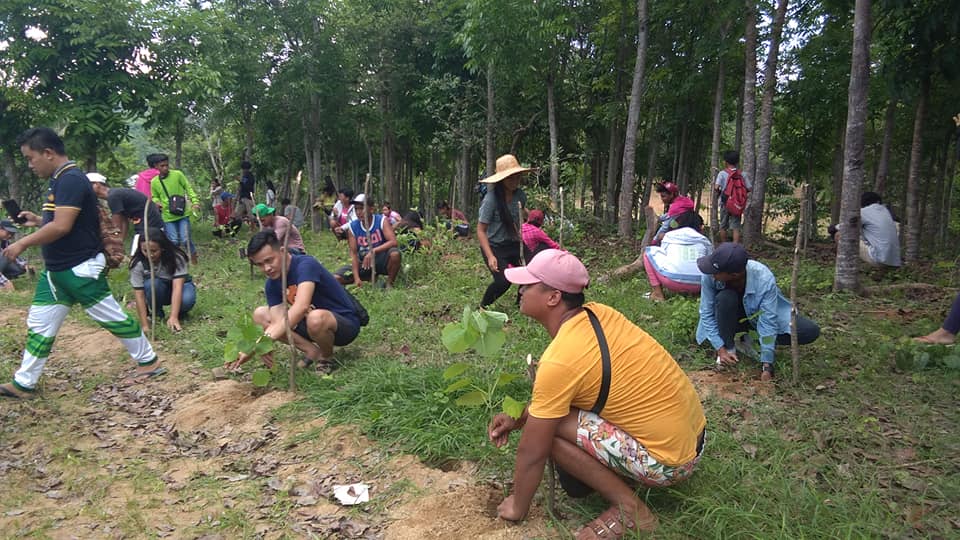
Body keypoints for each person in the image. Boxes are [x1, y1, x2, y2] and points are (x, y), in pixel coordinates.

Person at [487, 249, 706, 538]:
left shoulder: (560, 359)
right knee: (547, 423)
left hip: (669, 463)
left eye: (527, 286)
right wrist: (520, 418)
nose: (520, 291)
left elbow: (532, 451)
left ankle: (631, 509)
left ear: (553, 297)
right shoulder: (599, 314)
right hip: (695, 437)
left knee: (545, 436)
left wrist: (517, 505)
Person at [0, 128, 162, 400]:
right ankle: (24, 383)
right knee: (40, 324)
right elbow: (71, 222)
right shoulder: (60, 180)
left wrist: (22, 243)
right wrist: (38, 221)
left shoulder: (71, 180)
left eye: (31, 158)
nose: (30, 165)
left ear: (48, 153)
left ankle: (150, 362)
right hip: (57, 272)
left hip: (78, 268)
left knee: (111, 316)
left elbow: (62, 227)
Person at [229, 230, 362, 373]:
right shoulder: (272, 283)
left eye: (269, 260)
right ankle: (312, 351)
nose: (266, 268)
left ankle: (326, 357)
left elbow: (301, 307)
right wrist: (260, 345)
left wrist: (258, 345)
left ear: (282, 250)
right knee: (260, 314)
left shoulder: (305, 265)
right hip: (309, 323)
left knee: (315, 318)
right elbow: (276, 322)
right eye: (260, 264)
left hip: (342, 324)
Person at [696, 243, 820, 381]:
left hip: (756, 318)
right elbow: (706, 313)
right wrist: (720, 347)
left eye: (716, 272)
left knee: (809, 331)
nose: (712, 275)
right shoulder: (709, 275)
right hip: (727, 318)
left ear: (734, 274)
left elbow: (768, 321)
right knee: (725, 298)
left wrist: (767, 364)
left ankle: (752, 340)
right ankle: (729, 348)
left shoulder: (764, 278)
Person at [477, 154, 530, 308]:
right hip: (494, 246)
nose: (515, 181)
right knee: (503, 281)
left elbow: (519, 212)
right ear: (502, 179)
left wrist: (529, 215)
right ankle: (483, 307)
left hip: (513, 243)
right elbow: (481, 230)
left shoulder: (520, 195)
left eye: (517, 177)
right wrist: (490, 256)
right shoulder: (491, 200)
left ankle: (520, 304)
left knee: (531, 270)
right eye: (510, 178)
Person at [129, 228, 196, 332]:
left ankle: (179, 314)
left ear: (162, 248)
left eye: (154, 251)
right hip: (158, 288)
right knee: (152, 284)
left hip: (180, 287)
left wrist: (173, 316)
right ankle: (156, 314)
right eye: (145, 251)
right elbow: (139, 295)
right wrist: (144, 325)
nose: (150, 255)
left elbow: (177, 287)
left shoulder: (176, 257)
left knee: (187, 299)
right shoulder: (138, 264)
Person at [643, 211, 713, 302]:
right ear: (700, 226)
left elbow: (665, 254)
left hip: (672, 280)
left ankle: (657, 293)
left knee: (648, 252)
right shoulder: (704, 240)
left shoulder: (669, 236)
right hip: (700, 283)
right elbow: (710, 261)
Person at [334, 194, 401, 287]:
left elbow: (393, 241)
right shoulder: (352, 227)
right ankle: (366, 278)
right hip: (363, 263)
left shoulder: (381, 220)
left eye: (361, 208)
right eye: (356, 209)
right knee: (335, 278)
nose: (358, 212)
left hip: (381, 259)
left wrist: (373, 251)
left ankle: (389, 283)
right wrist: (357, 278)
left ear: (371, 209)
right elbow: (353, 254)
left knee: (395, 254)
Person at [149, 153, 200, 264]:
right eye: (162, 166)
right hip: (167, 215)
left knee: (185, 238)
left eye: (167, 165)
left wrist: (194, 201)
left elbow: (188, 187)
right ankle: (177, 260)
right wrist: (157, 202)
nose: (165, 168)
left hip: (182, 212)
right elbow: (154, 196)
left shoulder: (177, 175)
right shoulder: (154, 182)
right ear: (156, 166)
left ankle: (193, 256)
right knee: (173, 240)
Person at [88, 173, 163, 240]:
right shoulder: (116, 194)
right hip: (147, 221)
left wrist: (114, 237)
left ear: (97, 184)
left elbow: (117, 223)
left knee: (140, 247)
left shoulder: (113, 196)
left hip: (148, 221)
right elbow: (124, 221)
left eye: (89, 185)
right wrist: (121, 240)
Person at [714, 150, 751, 244]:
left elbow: (716, 187)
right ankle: (735, 247)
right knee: (736, 227)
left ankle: (724, 246)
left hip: (725, 202)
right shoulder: (743, 174)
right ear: (737, 162)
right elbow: (749, 188)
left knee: (723, 226)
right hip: (737, 204)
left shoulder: (722, 174)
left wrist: (720, 192)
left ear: (725, 162)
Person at [857, 191, 901, 268]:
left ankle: (846, 265)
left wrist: (833, 229)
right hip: (894, 261)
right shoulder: (886, 211)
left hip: (878, 259)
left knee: (839, 234)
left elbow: (842, 227)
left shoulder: (865, 211)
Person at [0, 220, 29, 291]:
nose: (10, 235)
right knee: (6, 254)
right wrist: (5, 282)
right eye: (8, 232)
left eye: (12, 234)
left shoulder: (5, 242)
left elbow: (15, 257)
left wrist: (25, 266)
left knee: (19, 270)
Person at [235, 160, 256, 225]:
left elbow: (248, 187)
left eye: (244, 169)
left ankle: (253, 227)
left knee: (250, 214)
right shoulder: (244, 176)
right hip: (243, 198)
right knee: (237, 214)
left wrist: (240, 181)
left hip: (247, 197)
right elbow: (242, 187)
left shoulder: (250, 176)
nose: (243, 170)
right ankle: (235, 227)